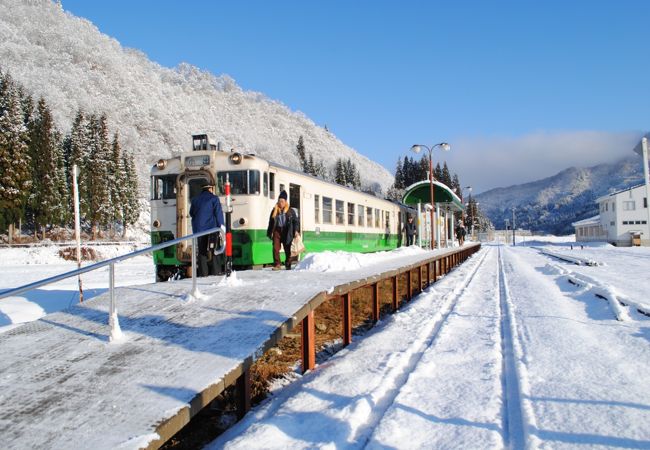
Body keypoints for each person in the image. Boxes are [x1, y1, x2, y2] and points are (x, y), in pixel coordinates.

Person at [189, 184, 225, 277]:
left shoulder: (195, 199)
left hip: (199, 229)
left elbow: (191, 213)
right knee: (214, 249)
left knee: (202, 251)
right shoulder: (214, 198)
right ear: (210, 188)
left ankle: (202, 273)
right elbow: (218, 213)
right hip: (211, 229)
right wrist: (221, 226)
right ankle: (216, 271)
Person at [266, 190, 300, 270]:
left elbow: (296, 221)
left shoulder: (290, 211)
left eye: (282, 201)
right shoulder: (274, 211)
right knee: (275, 248)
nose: (280, 202)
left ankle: (288, 263)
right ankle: (277, 264)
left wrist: (296, 230)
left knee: (287, 248)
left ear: (285, 202)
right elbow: (271, 222)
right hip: (277, 231)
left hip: (286, 231)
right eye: (279, 201)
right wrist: (269, 232)